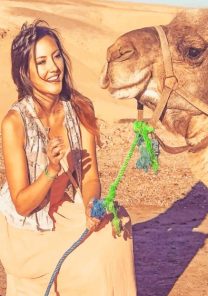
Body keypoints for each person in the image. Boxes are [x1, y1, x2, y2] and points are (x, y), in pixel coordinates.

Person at [0, 20, 136, 295]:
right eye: (41, 62)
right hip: (29, 230)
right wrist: (51, 170)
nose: (53, 68)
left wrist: (90, 206)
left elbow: (90, 178)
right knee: (87, 259)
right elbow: (23, 204)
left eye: (56, 56)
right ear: (24, 72)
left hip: (66, 209)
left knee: (116, 229)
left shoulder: (80, 107)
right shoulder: (14, 123)